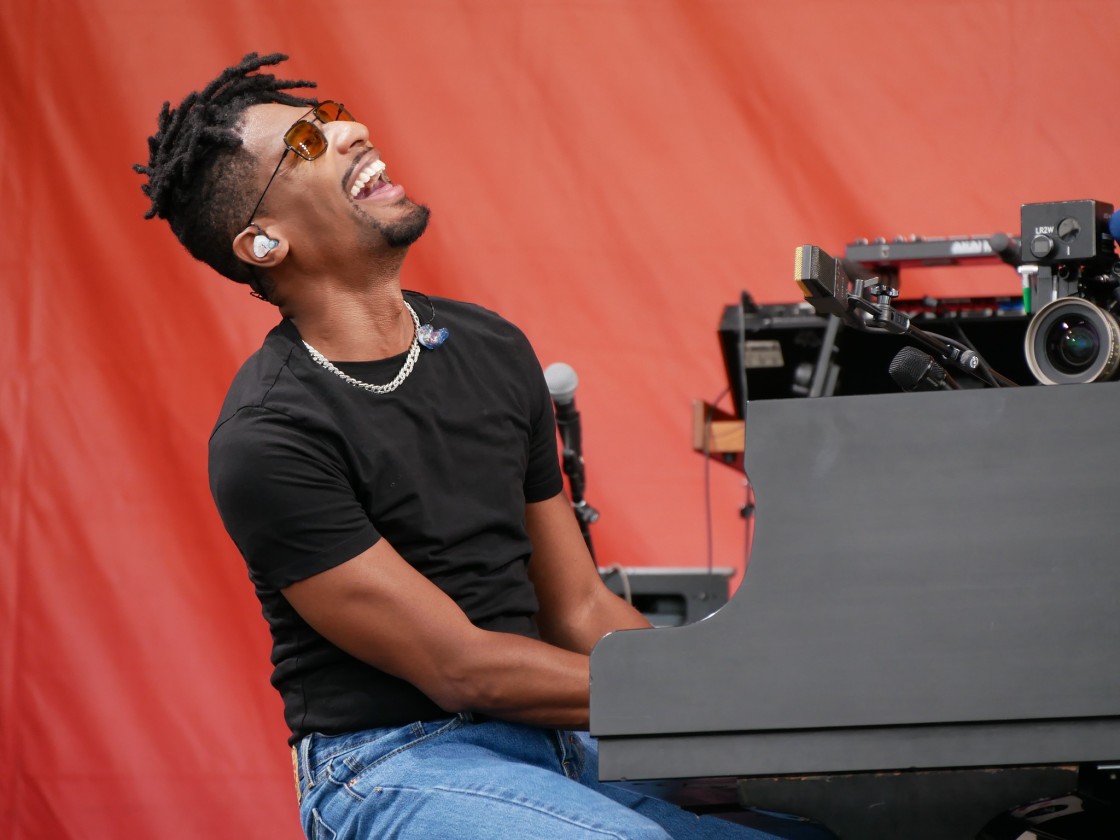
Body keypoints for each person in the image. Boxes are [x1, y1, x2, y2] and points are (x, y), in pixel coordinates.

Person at [135, 52, 820, 840]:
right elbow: (459, 665)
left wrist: (735, 690)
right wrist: (713, 692)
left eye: (330, 116)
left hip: (557, 739)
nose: (352, 129)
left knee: (821, 822)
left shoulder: (492, 348)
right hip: (395, 762)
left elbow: (578, 606)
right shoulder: (269, 435)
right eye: (310, 143)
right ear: (263, 244)